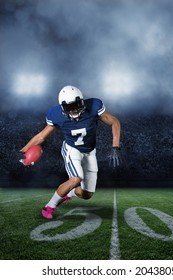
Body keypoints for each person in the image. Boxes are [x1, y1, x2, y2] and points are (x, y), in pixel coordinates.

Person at [20, 85, 121, 219]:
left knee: (87, 194)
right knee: (75, 179)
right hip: (72, 149)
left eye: (75, 104)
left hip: (90, 152)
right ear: (62, 108)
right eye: (69, 107)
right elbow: (41, 136)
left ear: (82, 101)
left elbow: (114, 121)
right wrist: (23, 152)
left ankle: (70, 194)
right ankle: (49, 207)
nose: (73, 109)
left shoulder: (94, 107)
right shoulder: (56, 115)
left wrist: (115, 146)